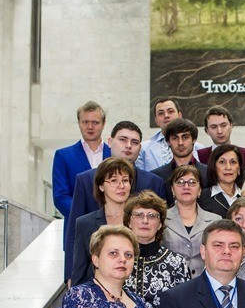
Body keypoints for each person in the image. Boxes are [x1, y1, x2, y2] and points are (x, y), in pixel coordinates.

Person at [65, 121, 167, 281]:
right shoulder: (85, 180)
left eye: (134, 142)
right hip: (95, 282)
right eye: (123, 140)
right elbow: (74, 234)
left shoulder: (153, 184)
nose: (128, 146)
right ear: (110, 141)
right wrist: (69, 277)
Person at [71, 157, 135, 287]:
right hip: (97, 296)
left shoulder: (139, 219)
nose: (121, 186)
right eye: (113, 181)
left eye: (125, 181)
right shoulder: (85, 223)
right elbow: (80, 272)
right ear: (101, 186)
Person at [51, 101, 110, 219]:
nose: (90, 127)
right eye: (85, 122)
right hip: (77, 226)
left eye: (95, 122)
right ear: (79, 123)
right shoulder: (63, 156)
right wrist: (87, 217)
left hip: (112, 226)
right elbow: (60, 197)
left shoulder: (114, 155)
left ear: (103, 124)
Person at [161, 165, 222, 278]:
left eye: (192, 182)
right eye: (180, 182)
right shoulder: (161, 219)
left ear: (200, 190)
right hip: (170, 284)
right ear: (172, 190)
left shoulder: (215, 221)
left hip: (204, 284)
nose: (186, 186)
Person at [151, 118, 210, 204]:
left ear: (194, 140)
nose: (180, 143)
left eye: (185, 137)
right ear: (168, 142)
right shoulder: (156, 177)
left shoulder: (209, 173)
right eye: (175, 138)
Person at [135, 97, 203, 171]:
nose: (166, 116)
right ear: (156, 121)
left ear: (180, 116)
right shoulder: (143, 149)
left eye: (170, 111)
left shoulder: (200, 149)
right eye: (161, 113)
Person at [200, 144, 243, 216]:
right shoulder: (202, 197)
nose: (228, 167)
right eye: (222, 162)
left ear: (238, 169)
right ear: (214, 167)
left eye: (233, 162)